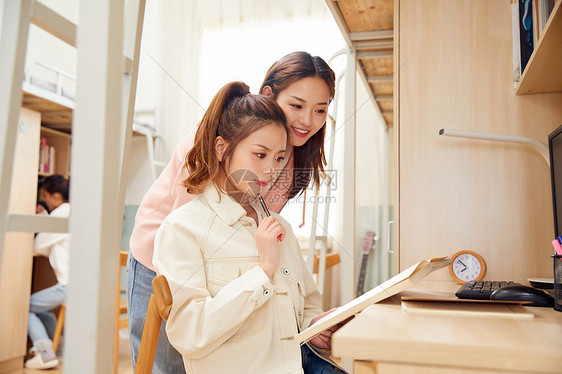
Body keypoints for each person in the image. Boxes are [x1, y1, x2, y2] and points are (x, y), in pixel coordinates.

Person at [127, 51, 336, 373]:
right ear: (268, 95)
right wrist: (261, 271)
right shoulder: (210, 144)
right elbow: (198, 229)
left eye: (320, 110)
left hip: (230, 269)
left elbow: (252, 224)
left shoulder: (292, 156)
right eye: (296, 106)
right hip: (159, 254)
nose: (307, 120)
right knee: (168, 364)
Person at [25, 175, 70, 370]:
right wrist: (45, 218)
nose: (46, 200)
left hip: (69, 285)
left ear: (57, 197)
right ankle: (57, 349)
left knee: (25, 307)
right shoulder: (72, 211)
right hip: (80, 283)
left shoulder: (61, 214)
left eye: (47, 196)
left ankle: (44, 354)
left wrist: (43, 220)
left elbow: (38, 244)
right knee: (42, 307)